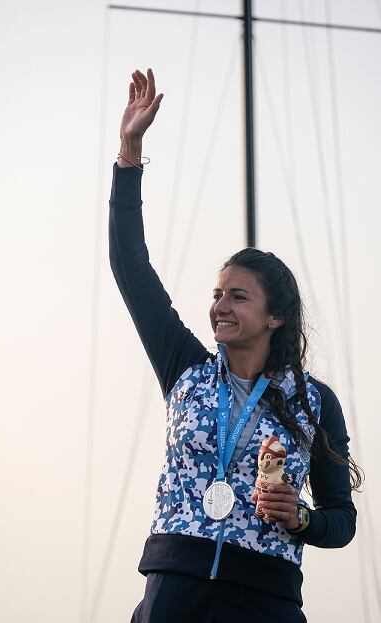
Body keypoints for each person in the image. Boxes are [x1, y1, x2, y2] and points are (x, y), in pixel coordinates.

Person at [109, 68, 361, 623]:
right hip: (173, 585)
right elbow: (131, 268)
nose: (220, 306)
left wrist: (303, 520)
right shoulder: (186, 370)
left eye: (238, 297)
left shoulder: (315, 402)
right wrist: (129, 154)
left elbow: (342, 519)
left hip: (265, 597)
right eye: (217, 293)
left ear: (274, 316)